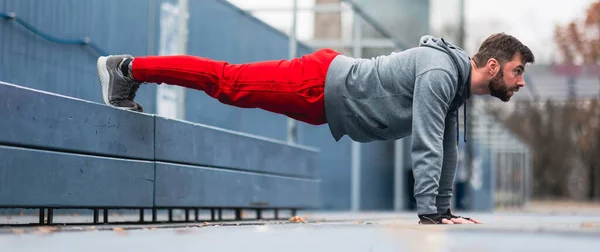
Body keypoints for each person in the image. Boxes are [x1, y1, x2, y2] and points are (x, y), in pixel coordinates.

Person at [96, 33, 534, 225]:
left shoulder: (455, 83)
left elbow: (446, 146)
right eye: (517, 71)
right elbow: (425, 143)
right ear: (492, 65)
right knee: (227, 82)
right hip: (317, 83)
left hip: (326, 100)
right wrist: (430, 214)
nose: (520, 81)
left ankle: (132, 69)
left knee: (228, 84)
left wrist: (444, 210)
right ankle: (128, 67)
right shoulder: (441, 73)